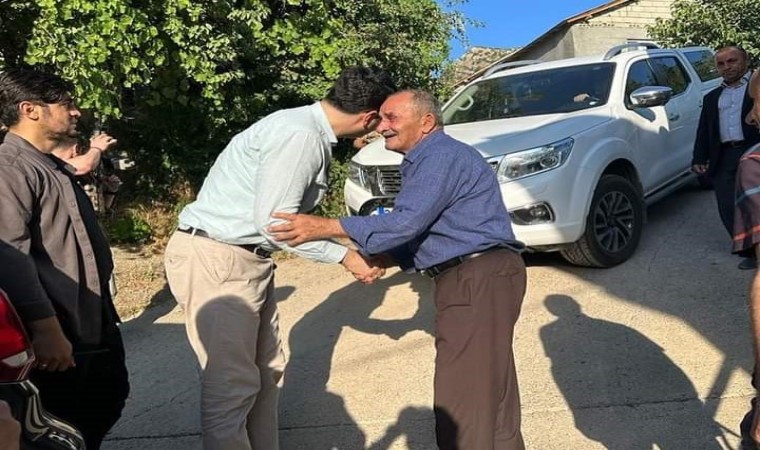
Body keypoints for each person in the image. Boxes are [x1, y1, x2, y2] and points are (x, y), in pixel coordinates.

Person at [269, 89, 528, 450]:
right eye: (381, 118)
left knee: (462, 402)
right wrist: (384, 259)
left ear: (427, 122)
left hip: (476, 277)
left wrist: (324, 226)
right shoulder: (433, 157)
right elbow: (432, 230)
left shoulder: (438, 156)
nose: (381, 126)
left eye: (392, 117)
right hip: (483, 275)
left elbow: (406, 222)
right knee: (491, 392)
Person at [163, 66, 395, 450]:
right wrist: (345, 257)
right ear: (368, 116)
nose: (384, 128)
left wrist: (350, 244)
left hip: (242, 259)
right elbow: (277, 225)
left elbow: (286, 224)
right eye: (383, 119)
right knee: (231, 384)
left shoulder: (301, 127)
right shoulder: (300, 136)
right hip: (219, 258)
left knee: (266, 371)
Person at [0, 68, 129, 450]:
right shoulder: (11, 168)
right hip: (59, 331)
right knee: (66, 424)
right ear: (30, 109)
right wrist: (46, 329)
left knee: (103, 404)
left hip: (89, 322)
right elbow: (10, 254)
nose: (76, 112)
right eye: (66, 104)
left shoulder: (48, 164)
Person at [692, 46, 760, 270]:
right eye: (721, 64)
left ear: (745, 61)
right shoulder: (712, 97)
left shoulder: (756, 88)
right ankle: (749, 251)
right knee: (727, 204)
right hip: (725, 154)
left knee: (754, 202)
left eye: (732, 61)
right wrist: (699, 157)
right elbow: (704, 130)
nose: (726, 67)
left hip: (753, 148)